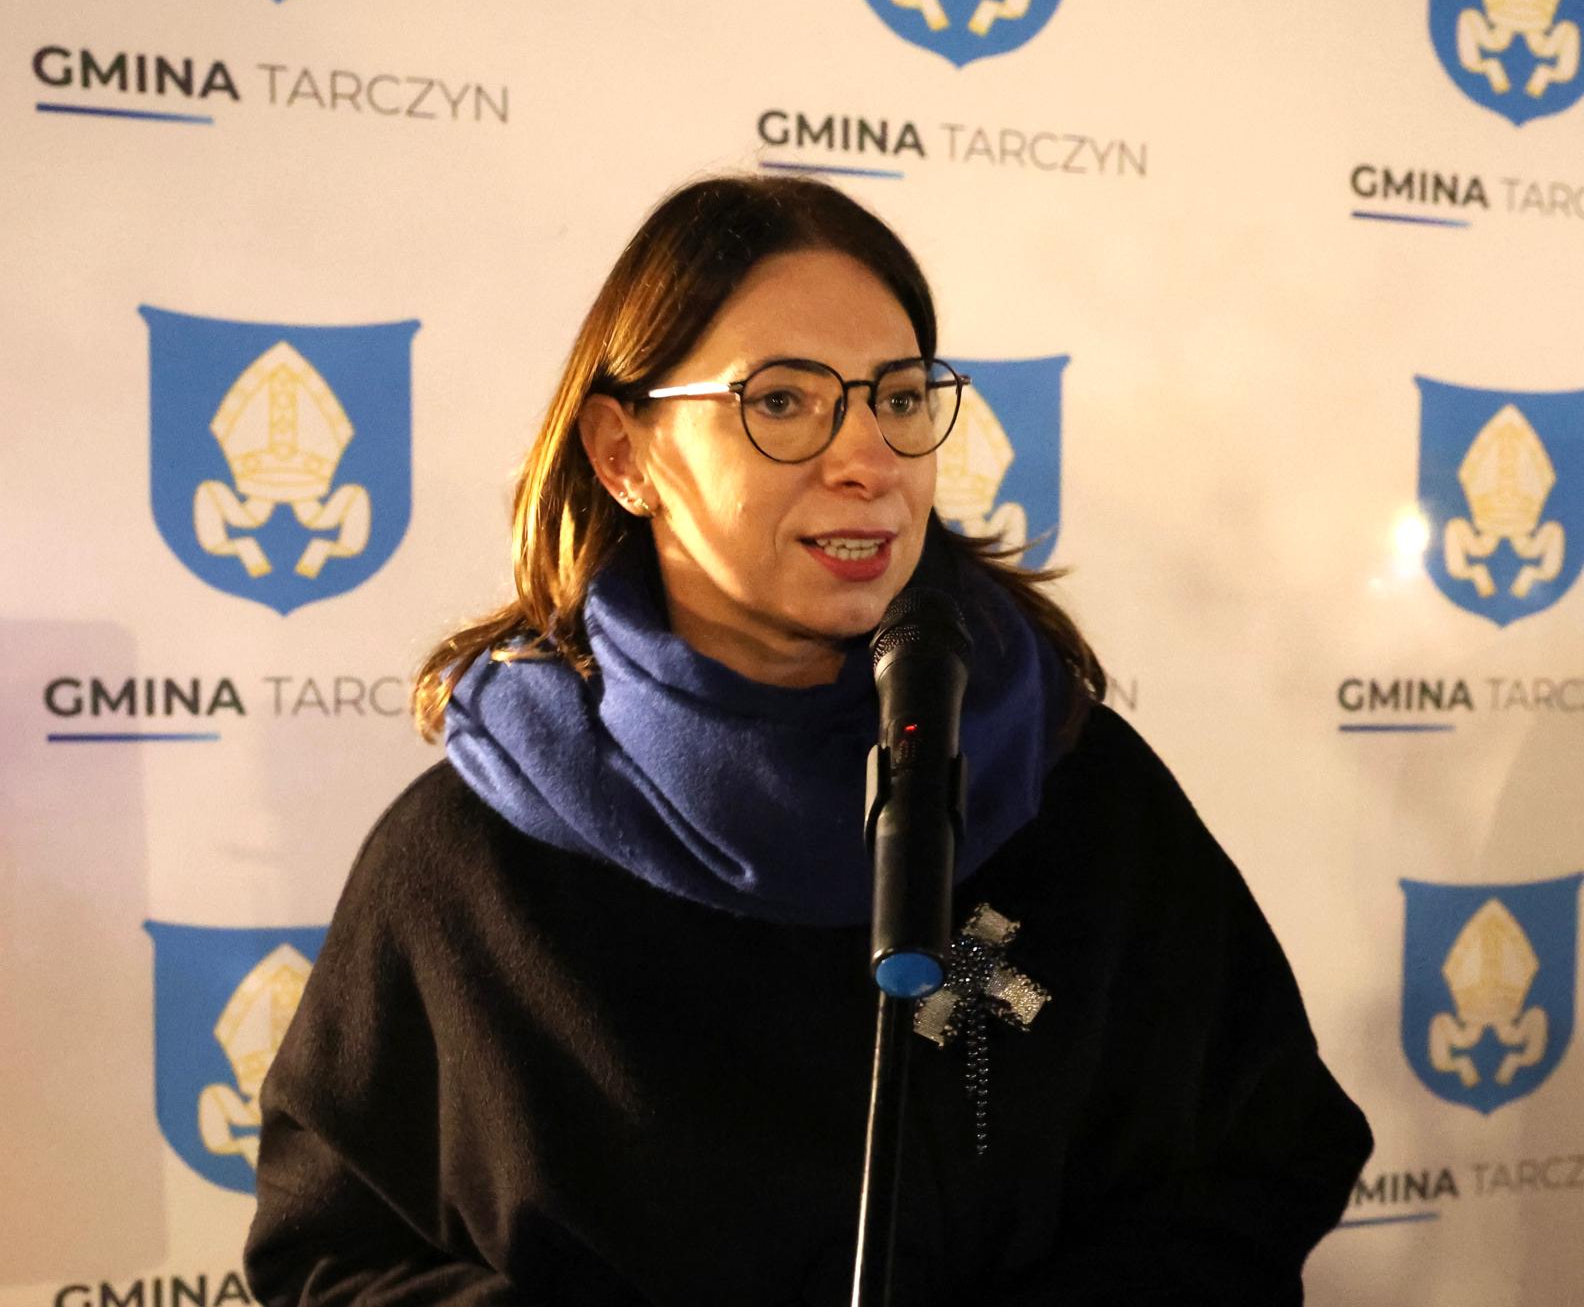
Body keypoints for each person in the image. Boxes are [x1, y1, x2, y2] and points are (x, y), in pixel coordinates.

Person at [245, 174, 1371, 1306]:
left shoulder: (1073, 787)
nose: (867, 459)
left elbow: (1266, 1157)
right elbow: (329, 1257)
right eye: (781, 400)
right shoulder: (470, 860)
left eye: (898, 398)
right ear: (624, 454)